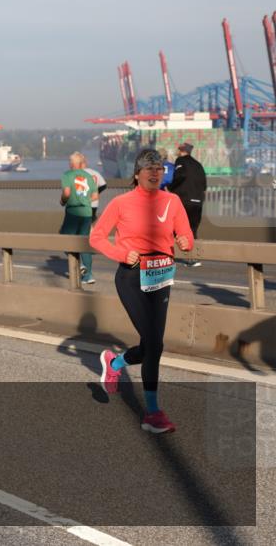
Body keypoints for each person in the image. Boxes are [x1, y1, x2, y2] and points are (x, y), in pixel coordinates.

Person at [90, 149, 192, 434]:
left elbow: (185, 234)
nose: (155, 173)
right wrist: (122, 254)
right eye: (149, 169)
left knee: (152, 344)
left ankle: (115, 362)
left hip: (161, 275)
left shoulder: (172, 201)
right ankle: (153, 413)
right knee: (154, 344)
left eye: (159, 169)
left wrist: (185, 241)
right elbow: (96, 237)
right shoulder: (121, 203)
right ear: (137, 174)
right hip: (132, 277)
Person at [59, 152, 98, 285]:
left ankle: (80, 265)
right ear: (81, 163)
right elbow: (95, 196)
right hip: (87, 213)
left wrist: (63, 201)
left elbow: (66, 193)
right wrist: (85, 201)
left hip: (73, 212)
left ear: (71, 163)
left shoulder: (67, 175)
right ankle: (88, 275)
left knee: (64, 239)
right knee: (84, 242)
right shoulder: (89, 176)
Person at [167, 142, 206, 267]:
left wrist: (170, 187)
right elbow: (204, 184)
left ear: (181, 151)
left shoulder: (180, 161)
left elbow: (180, 175)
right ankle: (194, 258)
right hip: (197, 202)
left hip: (184, 201)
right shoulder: (198, 165)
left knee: (176, 227)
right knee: (193, 229)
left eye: (178, 150)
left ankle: (171, 256)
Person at [81, 155, 108, 221]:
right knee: (90, 221)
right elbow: (104, 185)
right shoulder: (95, 173)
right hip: (94, 203)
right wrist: (97, 192)